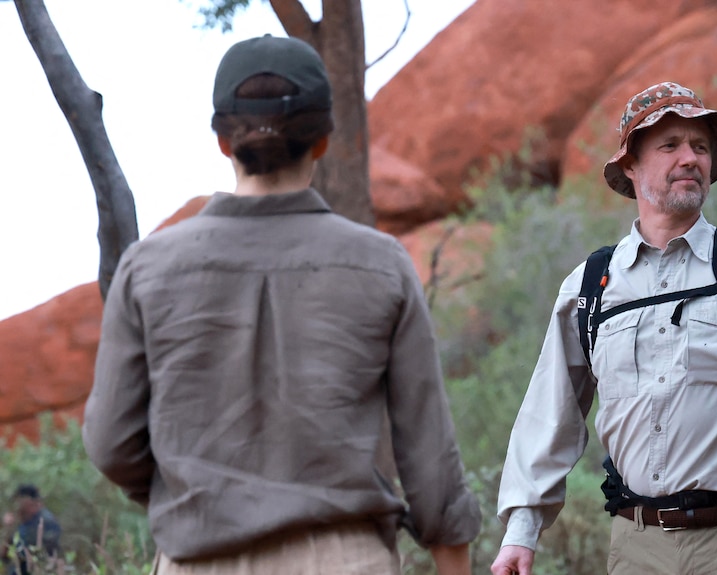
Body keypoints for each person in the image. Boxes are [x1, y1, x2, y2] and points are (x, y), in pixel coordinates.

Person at [83, 34, 480, 575]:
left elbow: (111, 444)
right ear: (322, 140)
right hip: (346, 559)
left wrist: (196, 495)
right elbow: (429, 456)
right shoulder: (380, 263)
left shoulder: (148, 268)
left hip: (198, 558)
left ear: (223, 140)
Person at [490, 81, 717, 575]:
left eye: (701, 147)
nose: (690, 158)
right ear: (630, 165)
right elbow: (549, 417)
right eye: (670, 145)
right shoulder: (590, 286)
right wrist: (522, 532)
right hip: (636, 547)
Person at [2, 484, 62, 575]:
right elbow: (4, 555)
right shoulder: (23, 521)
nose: (17, 505)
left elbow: (33, 554)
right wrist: (8, 529)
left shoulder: (45, 521)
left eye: (19, 501)